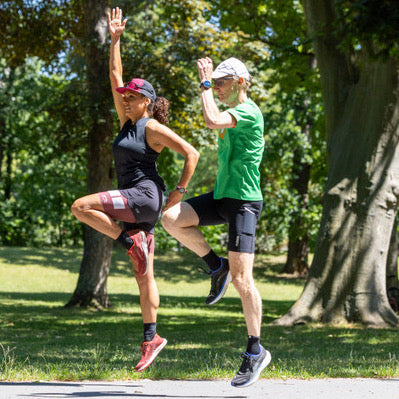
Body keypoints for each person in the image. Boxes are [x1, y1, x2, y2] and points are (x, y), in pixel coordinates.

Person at [71, 7, 199, 373]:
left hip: (144, 197)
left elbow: (191, 153)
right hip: (137, 204)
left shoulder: (151, 127)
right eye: (124, 96)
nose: (125, 99)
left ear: (147, 101)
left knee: (81, 206)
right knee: (146, 278)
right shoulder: (126, 122)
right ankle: (151, 338)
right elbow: (114, 75)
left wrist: (178, 192)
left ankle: (129, 242)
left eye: (132, 96)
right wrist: (115, 39)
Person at [162, 56, 271, 387]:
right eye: (216, 82)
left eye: (223, 82)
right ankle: (215, 265)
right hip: (223, 196)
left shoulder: (248, 112)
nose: (218, 88)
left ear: (239, 81)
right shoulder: (234, 114)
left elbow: (211, 120)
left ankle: (255, 350)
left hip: (244, 204)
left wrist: (205, 83)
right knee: (171, 218)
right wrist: (209, 85)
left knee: (243, 280)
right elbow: (215, 118)